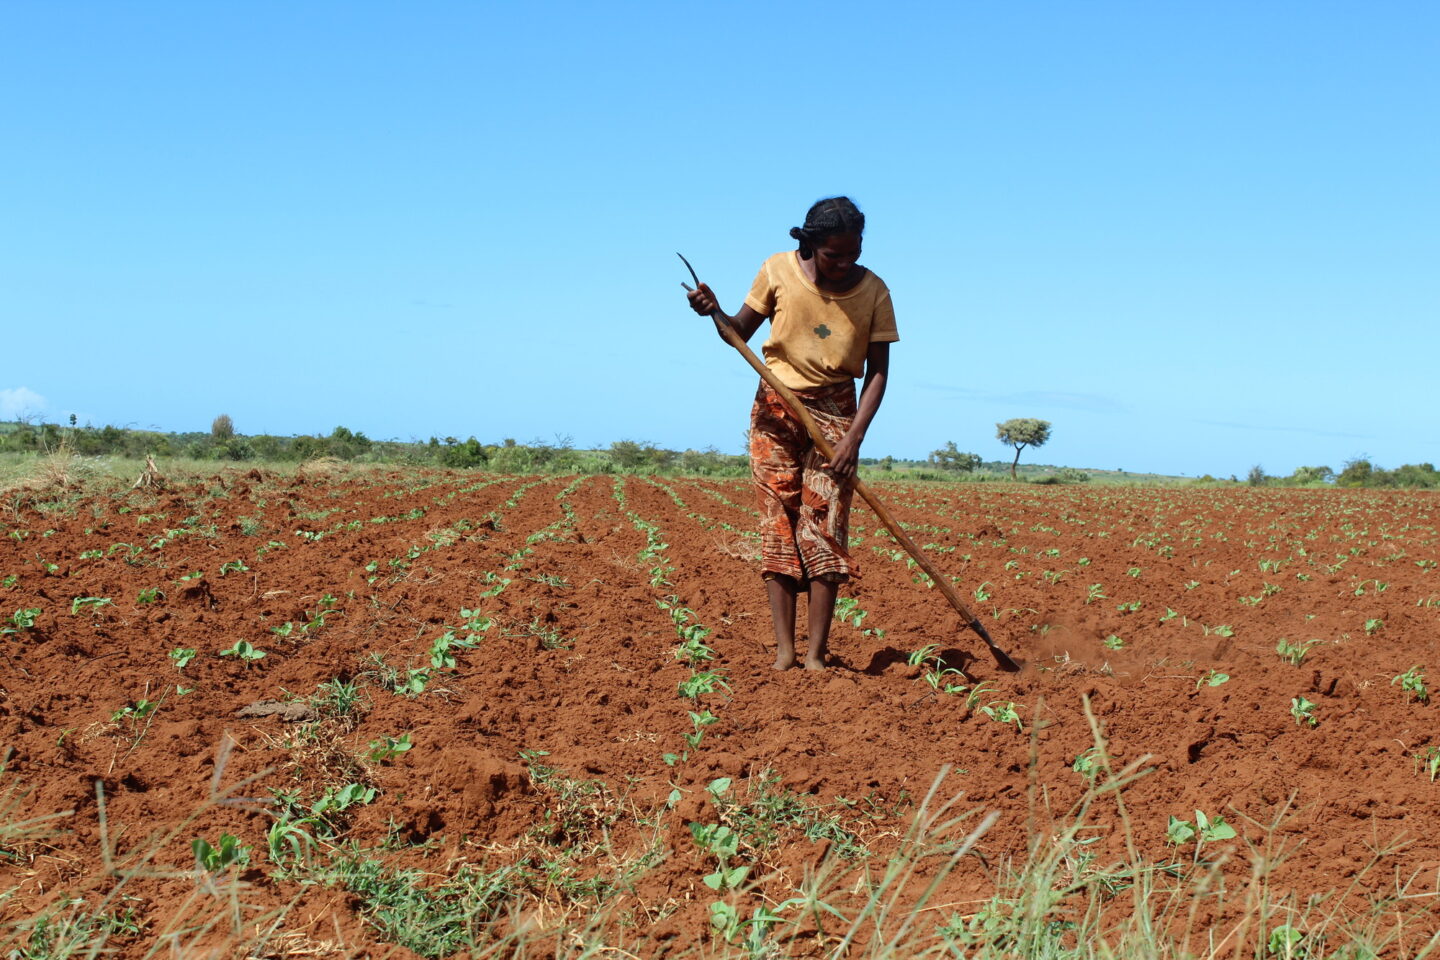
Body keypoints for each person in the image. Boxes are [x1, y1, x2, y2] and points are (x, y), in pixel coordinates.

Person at [686, 196, 898, 671]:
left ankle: (816, 655)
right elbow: (737, 331)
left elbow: (879, 373)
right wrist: (713, 311)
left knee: (824, 527)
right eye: (834, 255)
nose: (845, 264)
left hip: (838, 417)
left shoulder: (875, 292)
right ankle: (785, 653)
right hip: (775, 412)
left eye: (854, 253)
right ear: (811, 244)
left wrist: (853, 438)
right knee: (778, 521)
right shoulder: (777, 270)